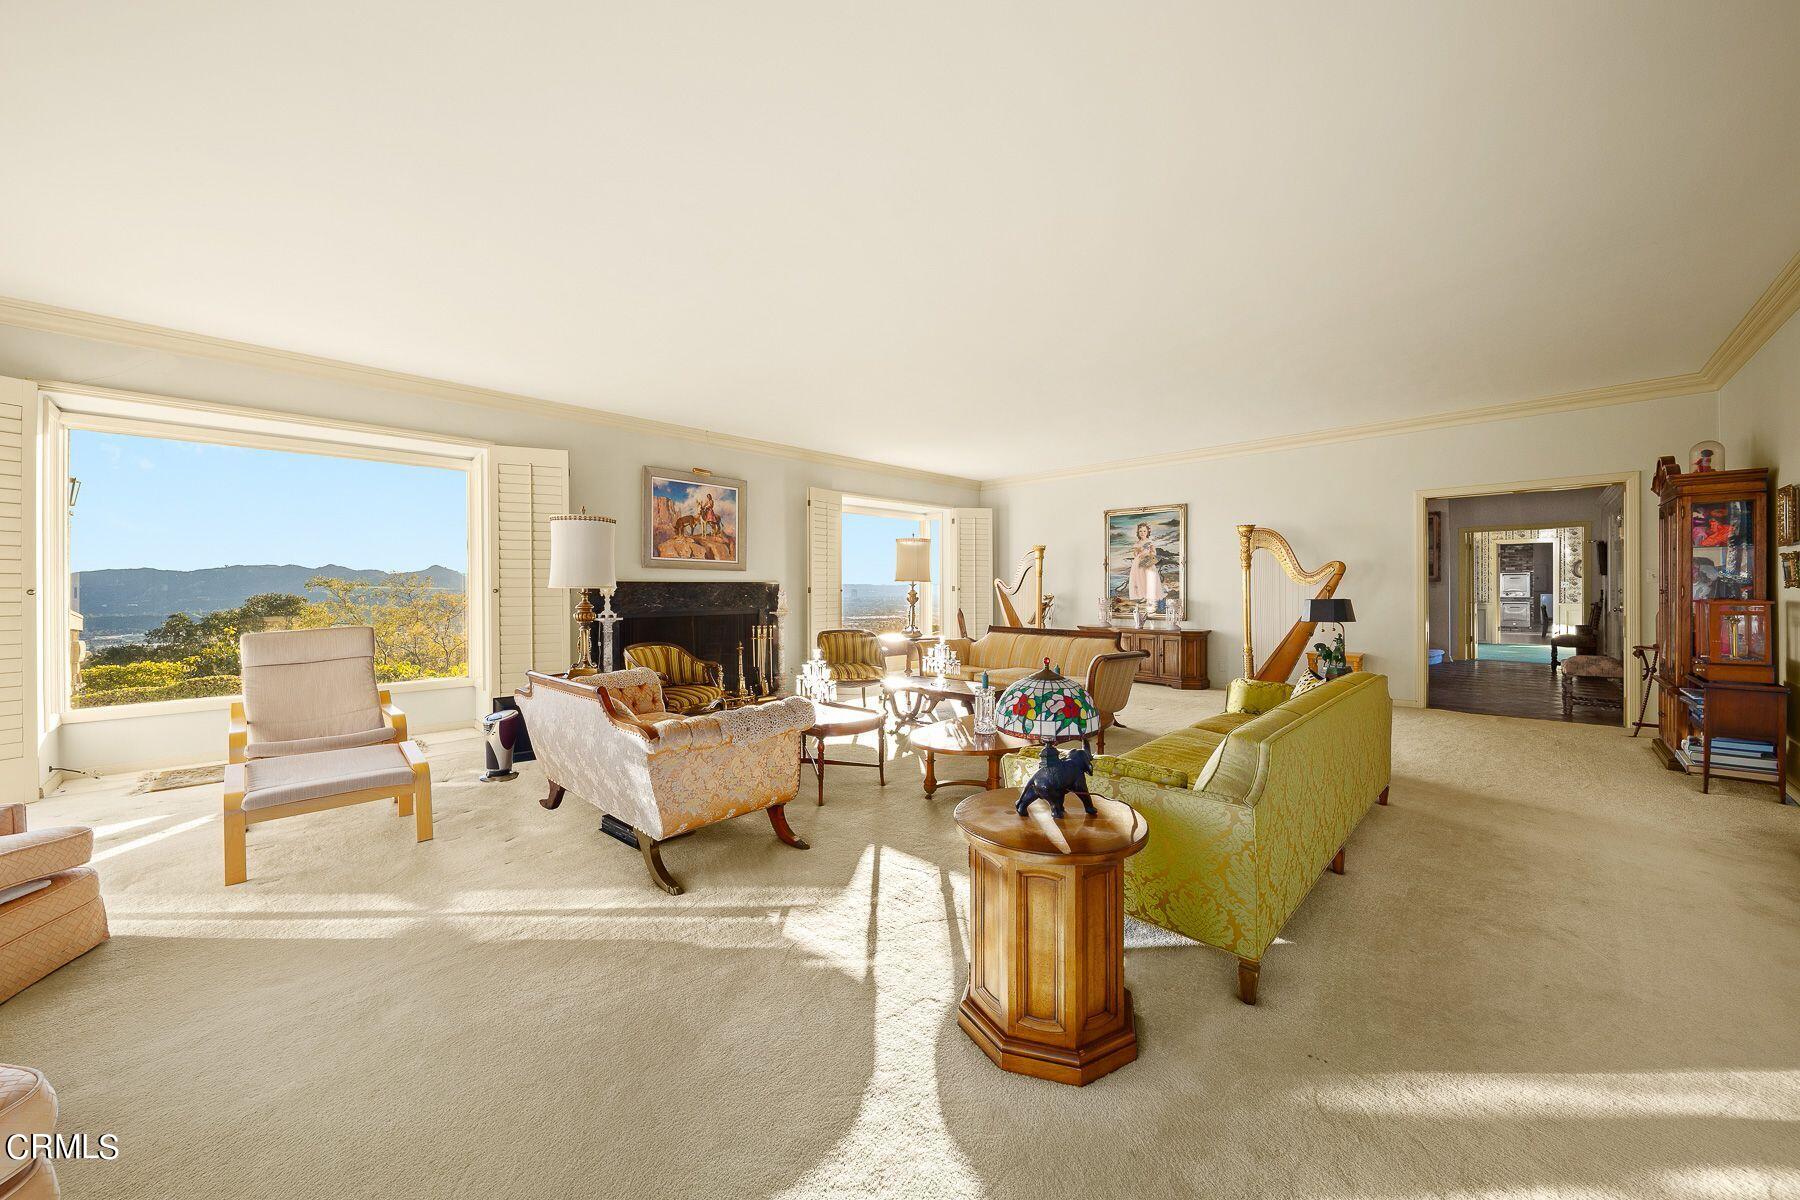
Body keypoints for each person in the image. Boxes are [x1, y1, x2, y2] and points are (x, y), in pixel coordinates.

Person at [1127, 522, 1166, 611]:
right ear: (1138, 533)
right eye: (1140, 531)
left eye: (1144, 531)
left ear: (1147, 532)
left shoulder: (1149, 542)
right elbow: (1135, 554)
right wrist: (1138, 551)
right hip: (1138, 563)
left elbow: (1154, 553)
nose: (1142, 533)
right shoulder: (1137, 543)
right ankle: (1143, 595)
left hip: (1147, 562)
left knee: (1147, 579)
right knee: (1140, 579)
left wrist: (1147, 555)